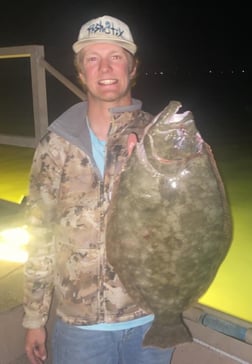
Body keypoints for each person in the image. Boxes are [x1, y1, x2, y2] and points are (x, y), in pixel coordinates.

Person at [23, 15, 175, 364]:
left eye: (116, 56)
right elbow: (39, 234)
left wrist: (163, 179)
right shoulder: (55, 145)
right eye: (92, 58)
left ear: (132, 67)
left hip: (153, 323)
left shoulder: (161, 139)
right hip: (79, 328)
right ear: (80, 71)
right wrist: (34, 318)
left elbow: (187, 231)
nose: (105, 66)